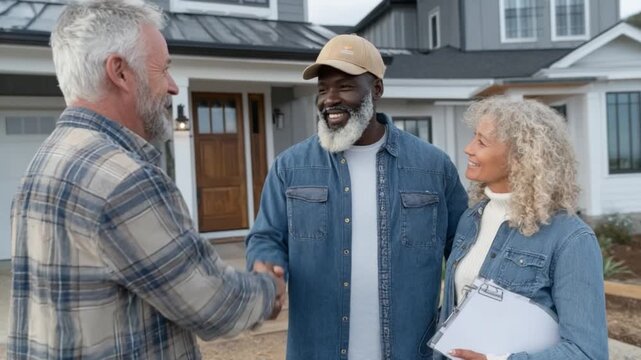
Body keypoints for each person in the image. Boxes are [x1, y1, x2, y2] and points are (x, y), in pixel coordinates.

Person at [8, 1, 284, 358]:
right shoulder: (125, 181)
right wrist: (269, 287)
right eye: (163, 69)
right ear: (120, 72)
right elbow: (213, 304)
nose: (172, 87)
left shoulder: (42, 163)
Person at [245, 34, 468, 360]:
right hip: (317, 349)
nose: (329, 99)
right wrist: (266, 267)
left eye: (344, 86)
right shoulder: (290, 167)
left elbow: (465, 252)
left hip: (412, 350)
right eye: (322, 89)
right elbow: (266, 238)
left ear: (376, 89)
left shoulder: (433, 168)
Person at [436, 97, 608, 360]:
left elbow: (587, 352)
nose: (469, 149)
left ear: (521, 156)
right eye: (474, 137)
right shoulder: (471, 219)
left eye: (482, 142)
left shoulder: (571, 238)